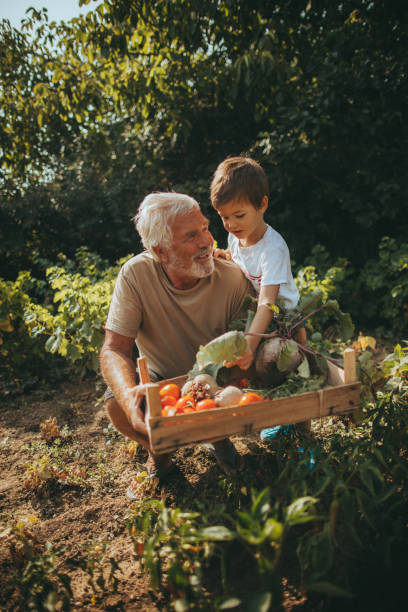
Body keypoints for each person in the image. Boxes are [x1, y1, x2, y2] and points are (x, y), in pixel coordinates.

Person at [99, 192, 253, 498]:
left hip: (215, 380)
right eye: (192, 235)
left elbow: (246, 352)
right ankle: (161, 450)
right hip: (161, 383)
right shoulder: (136, 275)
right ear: (161, 251)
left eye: (206, 228)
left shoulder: (232, 279)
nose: (207, 241)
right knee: (116, 405)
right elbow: (114, 349)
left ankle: (217, 437)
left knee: (232, 394)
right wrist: (130, 397)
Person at [210, 156, 310, 437]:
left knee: (274, 362)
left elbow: (269, 301)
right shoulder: (236, 237)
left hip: (283, 320)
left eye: (239, 216)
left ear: (262, 205)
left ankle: (297, 425)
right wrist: (227, 258)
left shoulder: (272, 248)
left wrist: (250, 345)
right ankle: (264, 412)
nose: (230, 224)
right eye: (224, 217)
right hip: (257, 315)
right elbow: (244, 266)